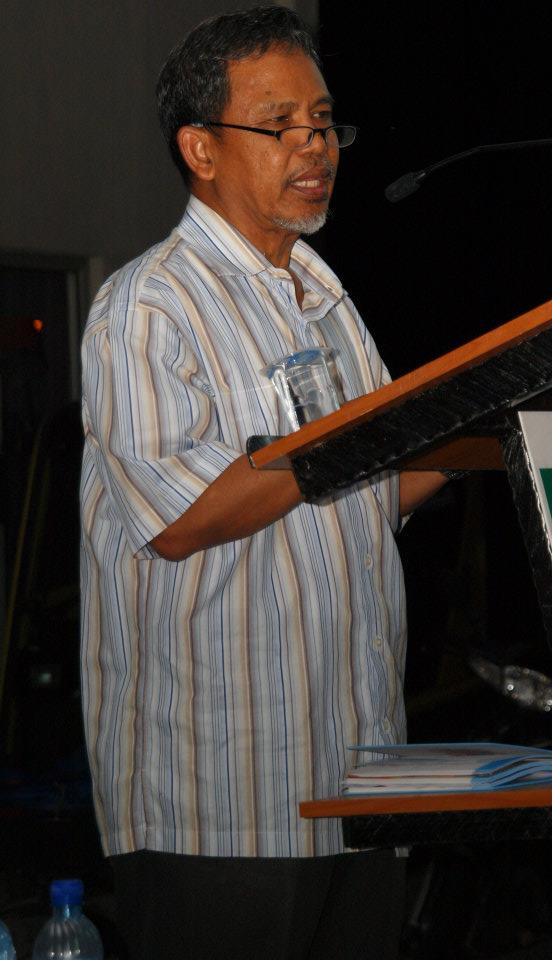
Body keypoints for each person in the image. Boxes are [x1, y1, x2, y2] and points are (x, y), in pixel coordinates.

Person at [80, 7, 447, 959]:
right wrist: (347, 444)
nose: (314, 146)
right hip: (220, 808)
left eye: (323, 122)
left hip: (359, 782)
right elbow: (182, 517)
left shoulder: (325, 298)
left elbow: (369, 495)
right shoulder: (148, 306)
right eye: (280, 125)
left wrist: (486, 416)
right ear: (200, 148)